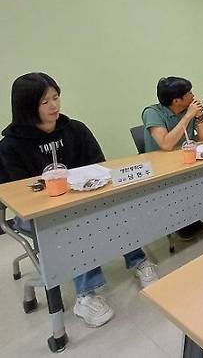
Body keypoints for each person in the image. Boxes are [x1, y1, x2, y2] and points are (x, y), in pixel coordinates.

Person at [0, 73, 158, 328]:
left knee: (119, 209)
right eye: (45, 102)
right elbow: (19, 193)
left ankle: (139, 261)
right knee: (76, 225)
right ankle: (85, 296)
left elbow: (98, 165)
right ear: (26, 107)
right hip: (37, 216)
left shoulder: (75, 129)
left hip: (84, 202)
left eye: (56, 97)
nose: (54, 106)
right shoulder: (10, 146)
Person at [142, 77, 203, 239]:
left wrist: (199, 116)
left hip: (185, 162)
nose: (193, 95)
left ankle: (191, 218)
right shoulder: (152, 113)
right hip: (160, 168)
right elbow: (166, 144)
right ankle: (180, 223)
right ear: (176, 100)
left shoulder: (188, 110)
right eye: (189, 93)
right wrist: (188, 116)